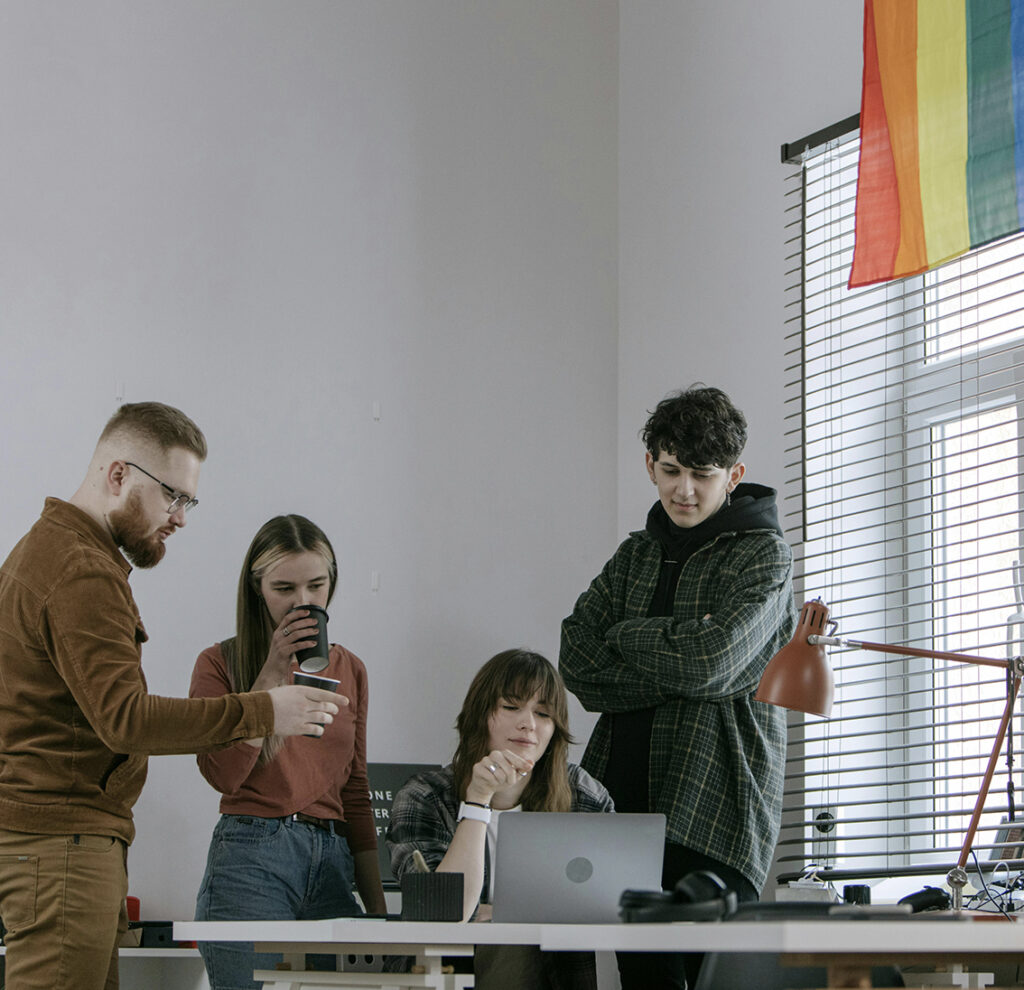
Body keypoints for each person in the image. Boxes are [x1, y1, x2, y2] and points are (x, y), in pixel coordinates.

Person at [0, 402, 341, 990]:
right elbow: (126, 720)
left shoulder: (56, 553)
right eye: (172, 496)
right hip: (62, 848)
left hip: (66, 843)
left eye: (190, 501)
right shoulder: (79, 568)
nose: (181, 517)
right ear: (117, 475)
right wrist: (265, 707)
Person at [559, 385, 796, 990]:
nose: (682, 490)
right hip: (620, 806)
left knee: (712, 980)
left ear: (734, 474)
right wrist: (681, 649)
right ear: (650, 465)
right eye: (669, 470)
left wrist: (629, 634)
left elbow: (711, 663)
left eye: (701, 474)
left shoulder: (765, 558)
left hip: (716, 807)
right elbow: (577, 660)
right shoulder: (633, 556)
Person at [191, 514, 386, 990]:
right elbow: (222, 774)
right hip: (252, 856)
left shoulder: (351, 669)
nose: (303, 602)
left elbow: (355, 789)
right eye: (284, 588)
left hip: (333, 856)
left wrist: (379, 912)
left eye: (316, 586)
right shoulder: (220, 663)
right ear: (257, 588)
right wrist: (274, 671)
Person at [386, 648, 613, 990]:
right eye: (511, 707)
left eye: (544, 714)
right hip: (444, 971)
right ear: (481, 714)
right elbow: (441, 914)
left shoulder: (582, 795)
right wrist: (478, 801)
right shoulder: (425, 796)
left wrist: (509, 912)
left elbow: (614, 899)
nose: (528, 724)